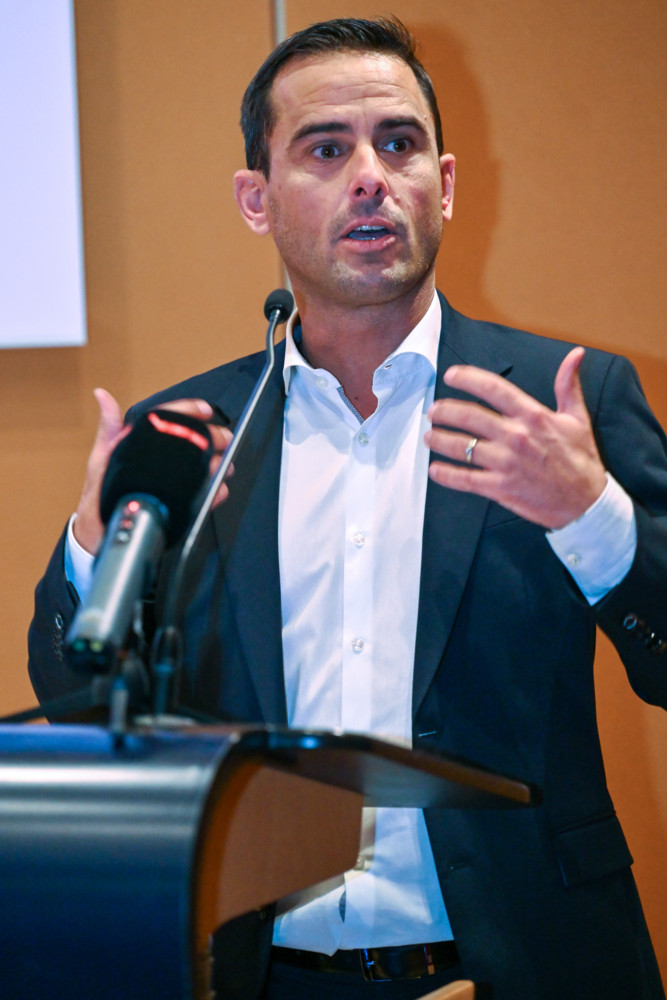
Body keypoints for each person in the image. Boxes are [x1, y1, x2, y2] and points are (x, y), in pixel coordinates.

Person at [28, 16, 667, 1000]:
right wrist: (89, 546)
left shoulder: (558, 406)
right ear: (257, 199)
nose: (370, 176)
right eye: (326, 150)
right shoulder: (193, 435)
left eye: (397, 143)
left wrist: (590, 517)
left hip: (527, 965)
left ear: (442, 185)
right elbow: (75, 698)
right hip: (260, 976)